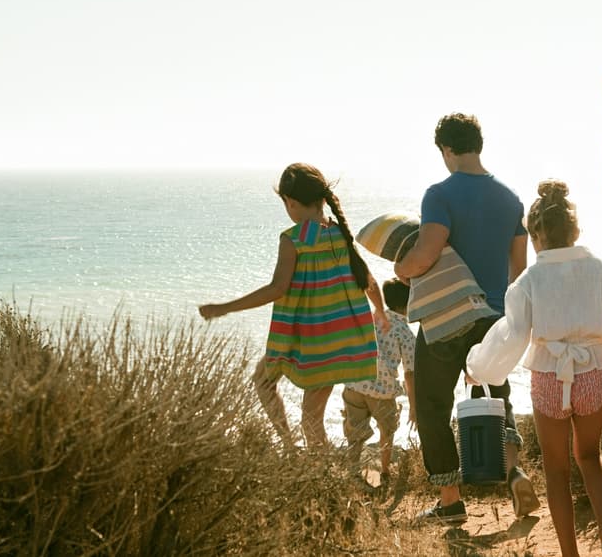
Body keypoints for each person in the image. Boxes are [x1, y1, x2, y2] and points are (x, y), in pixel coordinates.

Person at [466, 179, 602, 557]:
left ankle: (570, 553)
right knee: (590, 456)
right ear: (575, 231)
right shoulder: (598, 271)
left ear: (536, 235)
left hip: (549, 376)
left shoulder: (528, 281)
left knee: (557, 469)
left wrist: (479, 365)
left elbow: (512, 335)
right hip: (592, 371)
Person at [394, 112, 539, 524]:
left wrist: (402, 269)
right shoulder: (511, 199)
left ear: (447, 149)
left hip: (445, 316)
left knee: (433, 405)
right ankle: (513, 472)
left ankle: (450, 501)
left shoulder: (439, 194)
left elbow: (426, 252)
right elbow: (518, 270)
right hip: (493, 317)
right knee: (496, 399)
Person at [199, 163, 386, 451]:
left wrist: (224, 307)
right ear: (322, 199)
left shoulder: (294, 239)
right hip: (341, 340)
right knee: (312, 413)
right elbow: (368, 279)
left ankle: (295, 452)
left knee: (269, 385)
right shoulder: (340, 235)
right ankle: (307, 463)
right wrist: (381, 311)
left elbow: (277, 289)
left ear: (292, 202)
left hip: (309, 340)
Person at [341, 278, 416, 484]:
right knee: (387, 431)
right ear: (409, 303)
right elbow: (410, 373)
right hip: (382, 390)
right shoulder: (406, 334)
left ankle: (353, 472)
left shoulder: (370, 319)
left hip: (355, 384)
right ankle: (384, 472)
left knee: (354, 432)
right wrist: (413, 405)